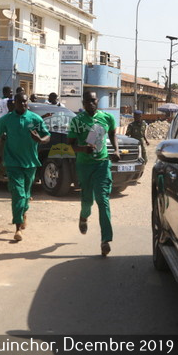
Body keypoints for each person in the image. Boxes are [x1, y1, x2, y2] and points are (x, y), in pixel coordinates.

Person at [68, 91, 120, 256]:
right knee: (87, 201)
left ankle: (105, 240)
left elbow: (112, 134)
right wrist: (83, 149)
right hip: (84, 165)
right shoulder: (77, 121)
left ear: (97, 101)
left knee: (103, 200)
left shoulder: (107, 118)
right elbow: (70, 145)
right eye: (87, 101)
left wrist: (116, 150)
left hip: (102, 165)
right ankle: (83, 217)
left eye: (93, 100)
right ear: (83, 103)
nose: (90, 103)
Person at [0, 93, 50, 241]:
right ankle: (18, 228)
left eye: (25, 102)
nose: (23, 104)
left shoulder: (34, 119)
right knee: (18, 193)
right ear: (15, 103)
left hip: (30, 163)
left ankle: (24, 212)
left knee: (25, 193)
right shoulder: (7, 119)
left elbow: (47, 136)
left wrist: (40, 140)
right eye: (20, 102)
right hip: (12, 162)